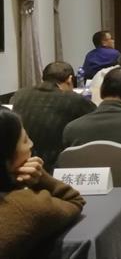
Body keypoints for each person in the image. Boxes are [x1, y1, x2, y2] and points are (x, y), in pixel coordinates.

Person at [0, 108, 85, 259]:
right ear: (6, 160)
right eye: (25, 140)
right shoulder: (26, 206)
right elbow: (74, 200)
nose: (31, 144)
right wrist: (41, 178)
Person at [10, 61, 96, 172]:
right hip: (55, 164)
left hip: (20, 161)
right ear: (70, 79)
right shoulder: (73, 99)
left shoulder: (20, 94)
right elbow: (95, 117)